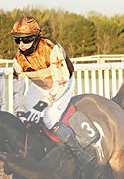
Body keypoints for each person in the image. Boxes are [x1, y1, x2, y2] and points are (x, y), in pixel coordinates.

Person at [11, 16, 93, 168]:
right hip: (39, 87)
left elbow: (61, 82)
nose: (21, 44)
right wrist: (20, 110)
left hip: (62, 84)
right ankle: (35, 154)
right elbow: (18, 89)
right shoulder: (18, 59)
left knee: (49, 117)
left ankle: (80, 154)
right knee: (25, 120)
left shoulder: (51, 48)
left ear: (36, 37)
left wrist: (42, 104)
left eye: (26, 39)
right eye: (18, 40)